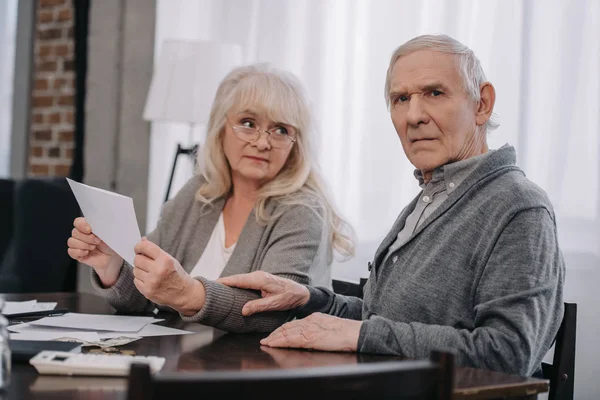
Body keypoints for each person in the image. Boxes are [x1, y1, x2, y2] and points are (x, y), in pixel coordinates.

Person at [218, 34, 565, 377]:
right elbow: (379, 319)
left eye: (434, 92)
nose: (413, 115)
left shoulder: (520, 208)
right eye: (400, 99)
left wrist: (360, 334)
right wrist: (309, 300)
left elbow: (508, 353)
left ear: (482, 104)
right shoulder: (430, 200)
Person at [67, 64, 355, 333]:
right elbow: (144, 298)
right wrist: (111, 266)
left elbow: (270, 312)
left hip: (260, 373)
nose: (263, 142)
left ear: (296, 144)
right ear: (220, 129)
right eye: (248, 123)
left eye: (281, 130)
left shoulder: (302, 210)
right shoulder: (199, 193)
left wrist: (185, 292)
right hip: (186, 363)